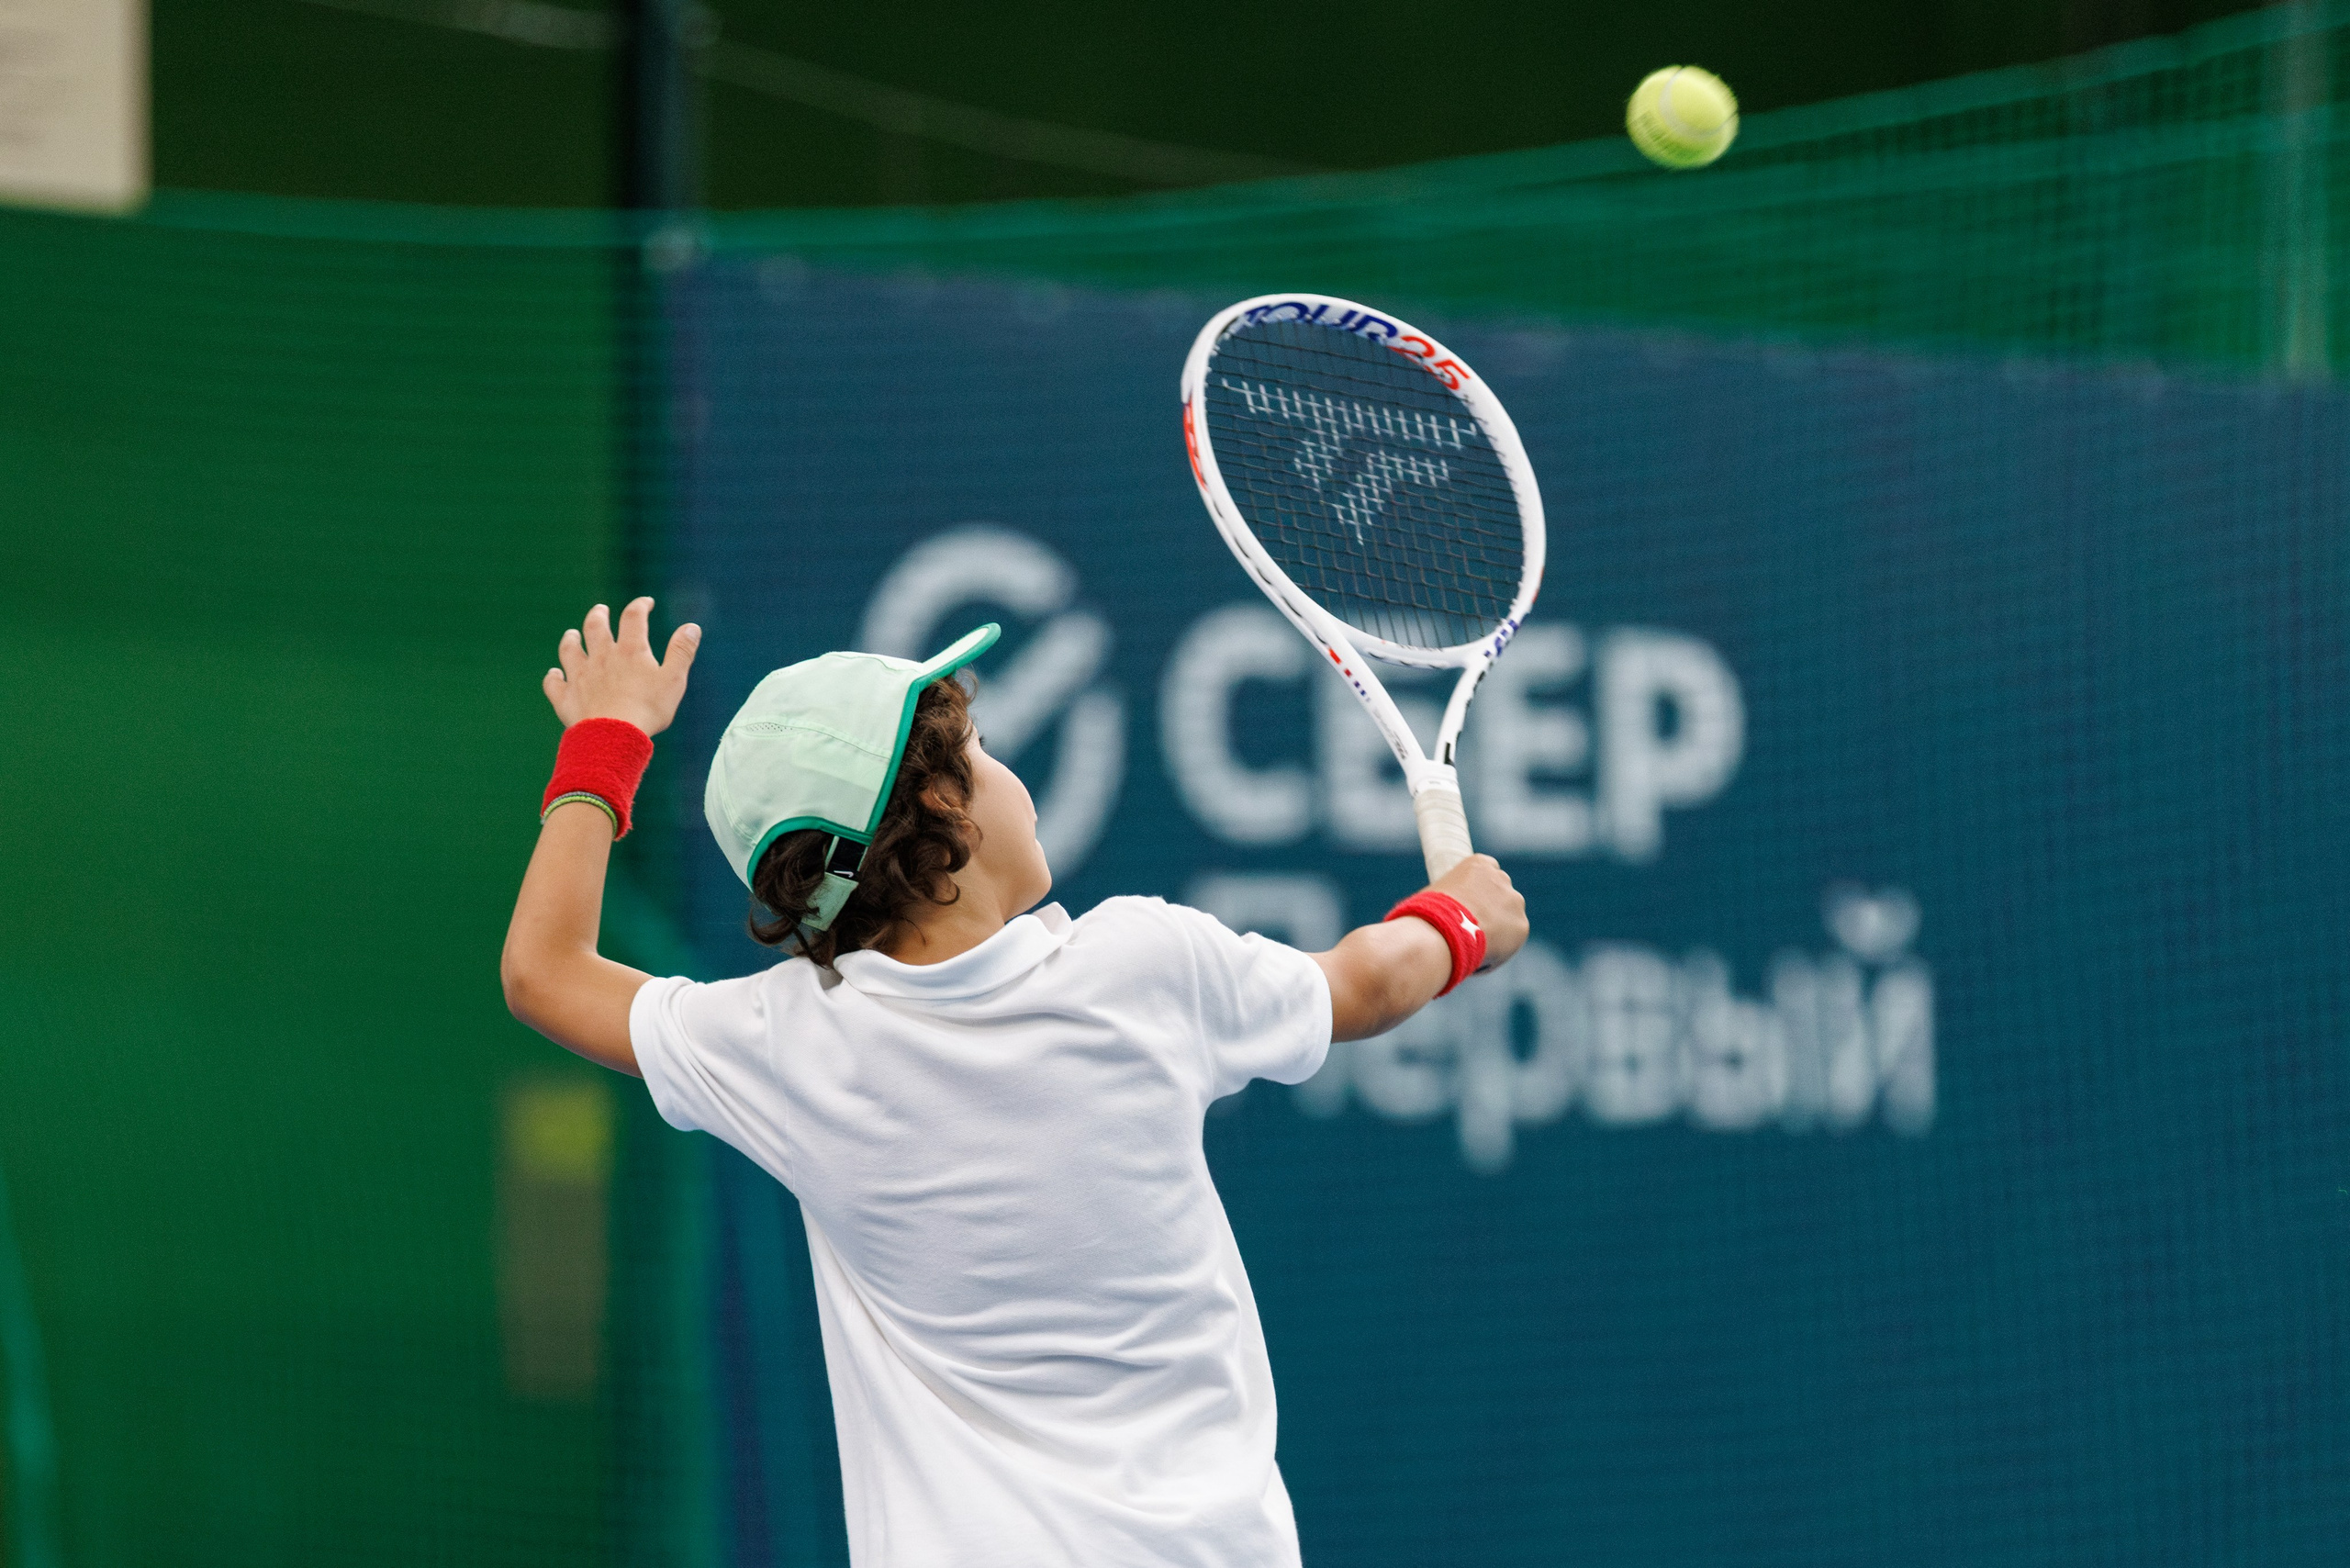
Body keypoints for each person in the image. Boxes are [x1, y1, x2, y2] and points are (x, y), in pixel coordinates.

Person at [502, 597, 1528, 1568]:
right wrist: (1461, 920)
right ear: (945, 799)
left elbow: (544, 971)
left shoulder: (786, 1045)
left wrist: (610, 738)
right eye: (984, 752)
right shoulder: (1145, 964)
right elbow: (1369, 981)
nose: (1001, 766)